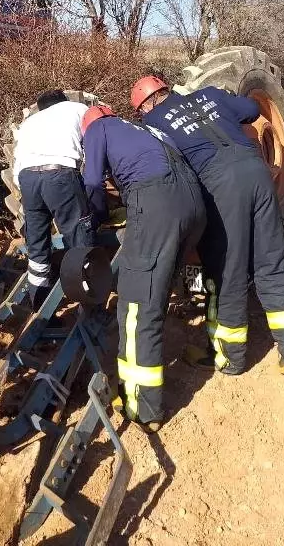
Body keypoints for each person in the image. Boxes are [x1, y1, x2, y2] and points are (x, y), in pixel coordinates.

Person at [130, 76, 284, 377]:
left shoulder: (153, 124)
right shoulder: (209, 95)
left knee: (229, 270)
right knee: (272, 261)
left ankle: (232, 358)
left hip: (221, 186)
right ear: (166, 90)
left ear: (145, 106)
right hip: (257, 174)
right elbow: (251, 109)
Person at [82, 105, 206, 432]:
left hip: (159, 207)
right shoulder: (148, 130)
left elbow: (93, 181)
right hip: (194, 207)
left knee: (136, 308)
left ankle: (143, 406)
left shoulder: (98, 128)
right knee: (159, 287)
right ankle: (191, 301)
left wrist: (95, 218)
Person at [13, 90, 95, 309]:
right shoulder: (78, 109)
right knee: (78, 237)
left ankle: (38, 303)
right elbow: (95, 143)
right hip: (59, 174)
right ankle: (87, 301)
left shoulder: (29, 123)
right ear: (63, 102)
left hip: (27, 179)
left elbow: (16, 166)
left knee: (37, 244)